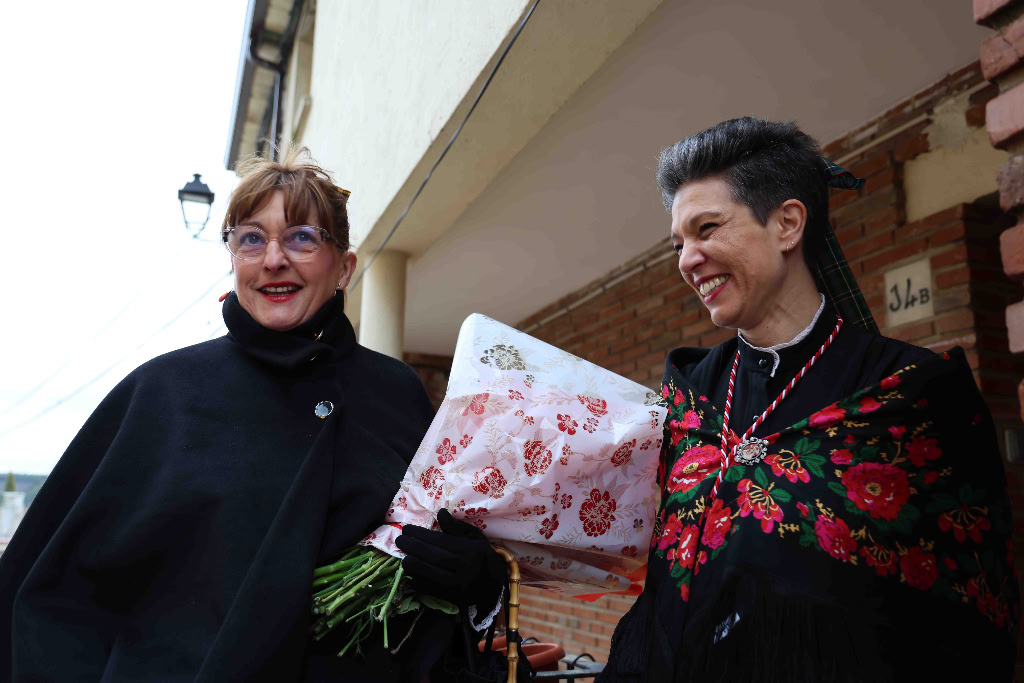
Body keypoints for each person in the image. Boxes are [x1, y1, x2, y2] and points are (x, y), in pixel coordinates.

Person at [0, 148, 502, 682]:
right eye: (251, 238)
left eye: (302, 238)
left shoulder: (395, 390)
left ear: (344, 268)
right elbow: (54, 591)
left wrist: (478, 579)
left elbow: (449, 536)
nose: (273, 259)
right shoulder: (163, 392)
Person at [600, 118, 1019, 682]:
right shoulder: (689, 396)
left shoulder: (909, 393)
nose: (687, 260)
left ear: (787, 224)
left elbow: (970, 607)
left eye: (707, 229)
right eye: (680, 244)